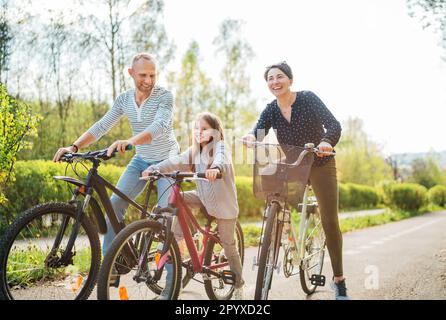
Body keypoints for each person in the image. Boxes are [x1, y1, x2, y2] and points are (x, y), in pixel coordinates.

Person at [242, 61, 349, 300]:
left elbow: (333, 125)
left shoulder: (308, 99)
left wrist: (326, 142)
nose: (275, 82)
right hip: (294, 165)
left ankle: (339, 280)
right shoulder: (271, 109)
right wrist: (250, 137)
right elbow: (258, 129)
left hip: (320, 162)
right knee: (274, 197)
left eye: (279, 77)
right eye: (270, 78)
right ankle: (281, 229)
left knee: (329, 220)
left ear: (290, 79)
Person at [53, 53, 179, 255]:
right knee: (114, 206)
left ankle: (171, 279)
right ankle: (109, 269)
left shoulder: (164, 96)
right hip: (141, 160)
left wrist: (130, 141)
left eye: (152, 75)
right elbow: (102, 126)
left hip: (168, 161)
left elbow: (160, 126)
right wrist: (74, 147)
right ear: (131, 73)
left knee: (165, 219)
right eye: (143, 75)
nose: (148, 81)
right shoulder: (124, 99)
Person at [142, 112, 245, 300]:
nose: (199, 132)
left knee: (229, 245)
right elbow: (176, 161)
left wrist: (216, 169)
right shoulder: (195, 151)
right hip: (204, 198)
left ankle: (238, 284)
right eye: (196, 128)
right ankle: (178, 237)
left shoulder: (220, 147)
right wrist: (154, 169)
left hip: (224, 207)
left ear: (215, 131)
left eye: (204, 129)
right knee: (175, 200)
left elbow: (222, 159)